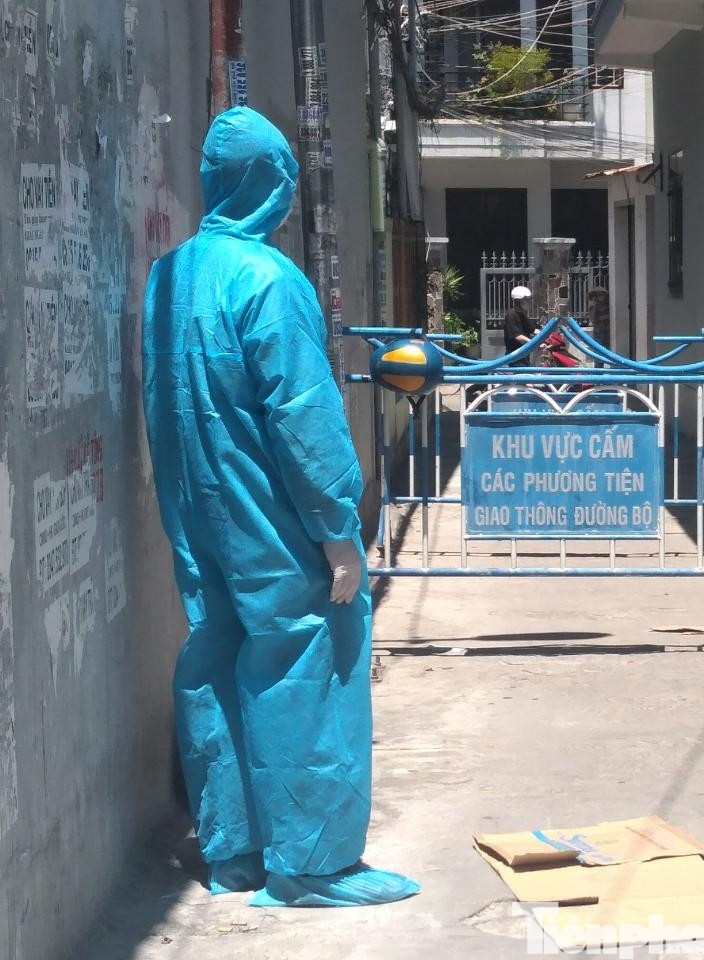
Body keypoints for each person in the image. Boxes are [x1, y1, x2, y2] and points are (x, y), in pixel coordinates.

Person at [142, 107, 418, 907]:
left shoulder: (169, 277)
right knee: (307, 659)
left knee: (217, 651)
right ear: (272, 184)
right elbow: (304, 415)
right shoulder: (269, 281)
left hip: (200, 511)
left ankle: (235, 852)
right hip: (273, 513)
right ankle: (312, 865)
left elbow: (163, 399)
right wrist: (337, 529)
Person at [503, 285, 538, 363]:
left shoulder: (522, 315)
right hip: (515, 357)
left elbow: (533, 330)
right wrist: (536, 344)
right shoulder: (511, 315)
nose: (529, 302)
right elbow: (518, 336)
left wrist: (548, 336)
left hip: (524, 356)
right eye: (527, 300)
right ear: (520, 301)